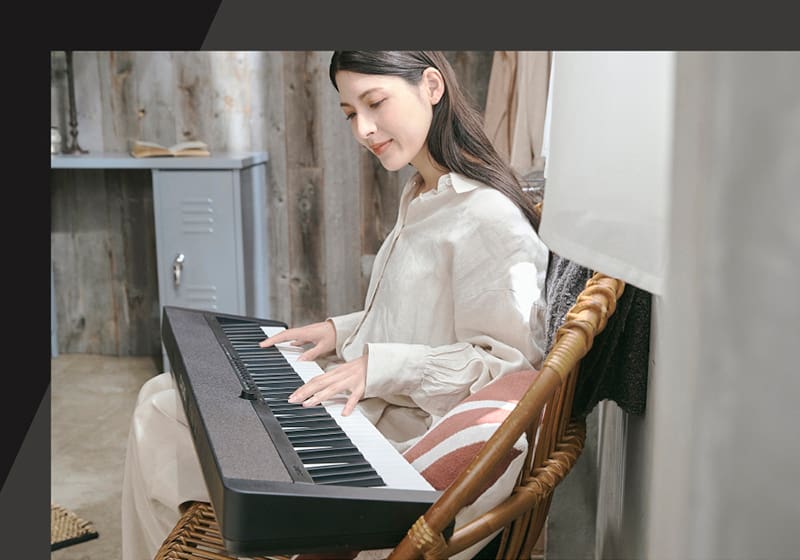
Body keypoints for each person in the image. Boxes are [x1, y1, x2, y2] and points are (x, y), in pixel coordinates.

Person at [121, 51, 549, 560]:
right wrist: (340, 330)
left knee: (161, 414)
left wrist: (376, 366)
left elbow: (510, 371)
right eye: (350, 113)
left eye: (375, 102)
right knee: (164, 393)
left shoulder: (487, 217)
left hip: (393, 441)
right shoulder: (425, 192)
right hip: (369, 409)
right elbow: (426, 317)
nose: (364, 129)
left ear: (431, 86)